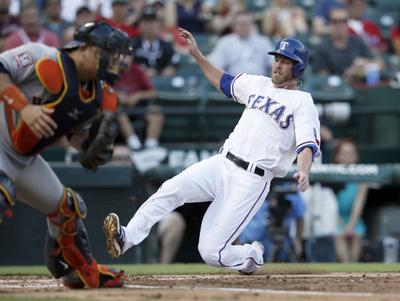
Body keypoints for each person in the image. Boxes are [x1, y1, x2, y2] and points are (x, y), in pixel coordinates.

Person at [103, 29, 321, 274]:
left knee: (211, 252)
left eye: (286, 61)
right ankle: (126, 238)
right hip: (222, 163)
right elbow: (223, 82)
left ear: (298, 68)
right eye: (277, 59)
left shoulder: (303, 102)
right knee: (170, 189)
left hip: (252, 179)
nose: (278, 65)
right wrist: (197, 55)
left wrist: (303, 171)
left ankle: (251, 253)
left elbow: (307, 144)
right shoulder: (257, 84)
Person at [0, 21, 130, 288]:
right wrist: (23, 107)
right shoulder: (42, 56)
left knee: (68, 209)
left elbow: (72, 134)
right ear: (82, 49)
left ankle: (80, 271)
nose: (110, 61)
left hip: (22, 158)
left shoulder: (95, 94)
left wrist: (89, 147)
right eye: (104, 53)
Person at [113, 54, 165, 171]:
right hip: (118, 111)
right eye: (122, 55)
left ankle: (150, 146)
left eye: (127, 56)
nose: (125, 59)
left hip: (139, 108)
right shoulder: (111, 70)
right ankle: (134, 145)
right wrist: (116, 95)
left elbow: (153, 92)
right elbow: (103, 89)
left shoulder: (136, 69)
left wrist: (138, 95)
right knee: (119, 112)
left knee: (155, 112)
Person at [313, 7, 383, 84]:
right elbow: (323, 78)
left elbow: (379, 63)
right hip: (337, 90)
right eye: (335, 21)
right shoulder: (322, 47)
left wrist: (364, 63)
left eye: (343, 21)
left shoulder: (357, 41)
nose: (340, 25)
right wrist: (346, 76)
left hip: (360, 86)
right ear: (330, 23)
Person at [240, 183, 306, 262]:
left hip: (282, 242)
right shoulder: (254, 183)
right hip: (253, 241)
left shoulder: (288, 186)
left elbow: (300, 216)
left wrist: (298, 240)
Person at [333, 139, 368, 263]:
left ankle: (353, 272)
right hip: (335, 219)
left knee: (356, 235)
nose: (349, 156)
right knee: (339, 236)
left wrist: (351, 226)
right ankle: (346, 272)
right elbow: (331, 206)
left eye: (351, 153)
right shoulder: (330, 175)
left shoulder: (363, 177)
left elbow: (359, 204)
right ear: (337, 156)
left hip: (354, 219)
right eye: (345, 153)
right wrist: (342, 226)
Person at [208, 11, 273, 76]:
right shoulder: (225, 42)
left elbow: (273, 63)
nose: (246, 27)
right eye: (242, 24)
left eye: (249, 23)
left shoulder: (263, 41)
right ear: (234, 26)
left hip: (259, 80)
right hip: (234, 81)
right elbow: (216, 64)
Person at [132, 6, 180, 77]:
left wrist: (170, 69)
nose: (150, 26)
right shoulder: (133, 44)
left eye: (153, 22)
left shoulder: (166, 46)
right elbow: (127, 64)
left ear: (159, 25)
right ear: (139, 25)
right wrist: (142, 71)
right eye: (146, 22)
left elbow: (174, 60)